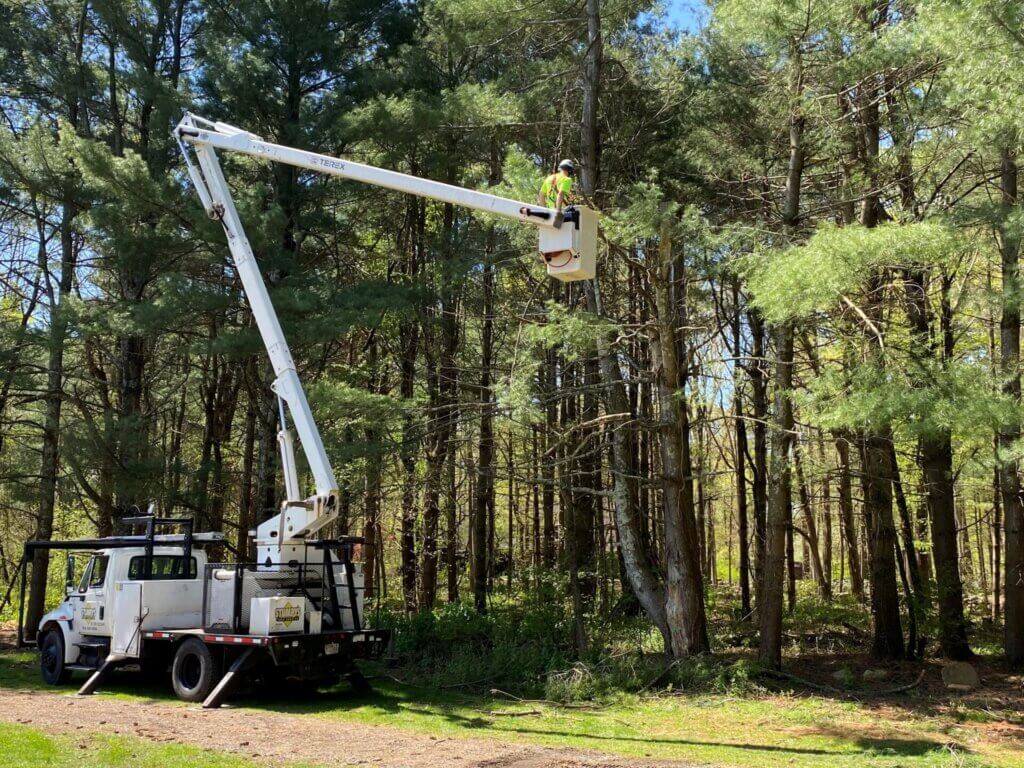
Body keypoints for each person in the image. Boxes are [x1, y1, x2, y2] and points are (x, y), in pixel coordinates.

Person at [539, 159, 575, 226]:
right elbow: (560, 194)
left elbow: (541, 194)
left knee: (551, 231)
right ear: (570, 170)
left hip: (549, 211)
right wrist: (558, 212)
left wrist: (544, 211)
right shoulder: (567, 179)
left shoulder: (549, 178)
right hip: (561, 212)